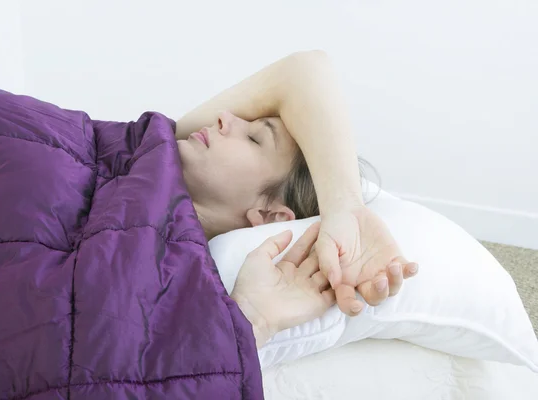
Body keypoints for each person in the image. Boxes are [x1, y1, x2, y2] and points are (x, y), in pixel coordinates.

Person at [174, 50, 419, 347]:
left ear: (271, 215)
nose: (224, 117)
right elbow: (303, 70)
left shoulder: (175, 273)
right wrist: (344, 207)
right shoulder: (148, 146)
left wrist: (255, 319)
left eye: (253, 138)